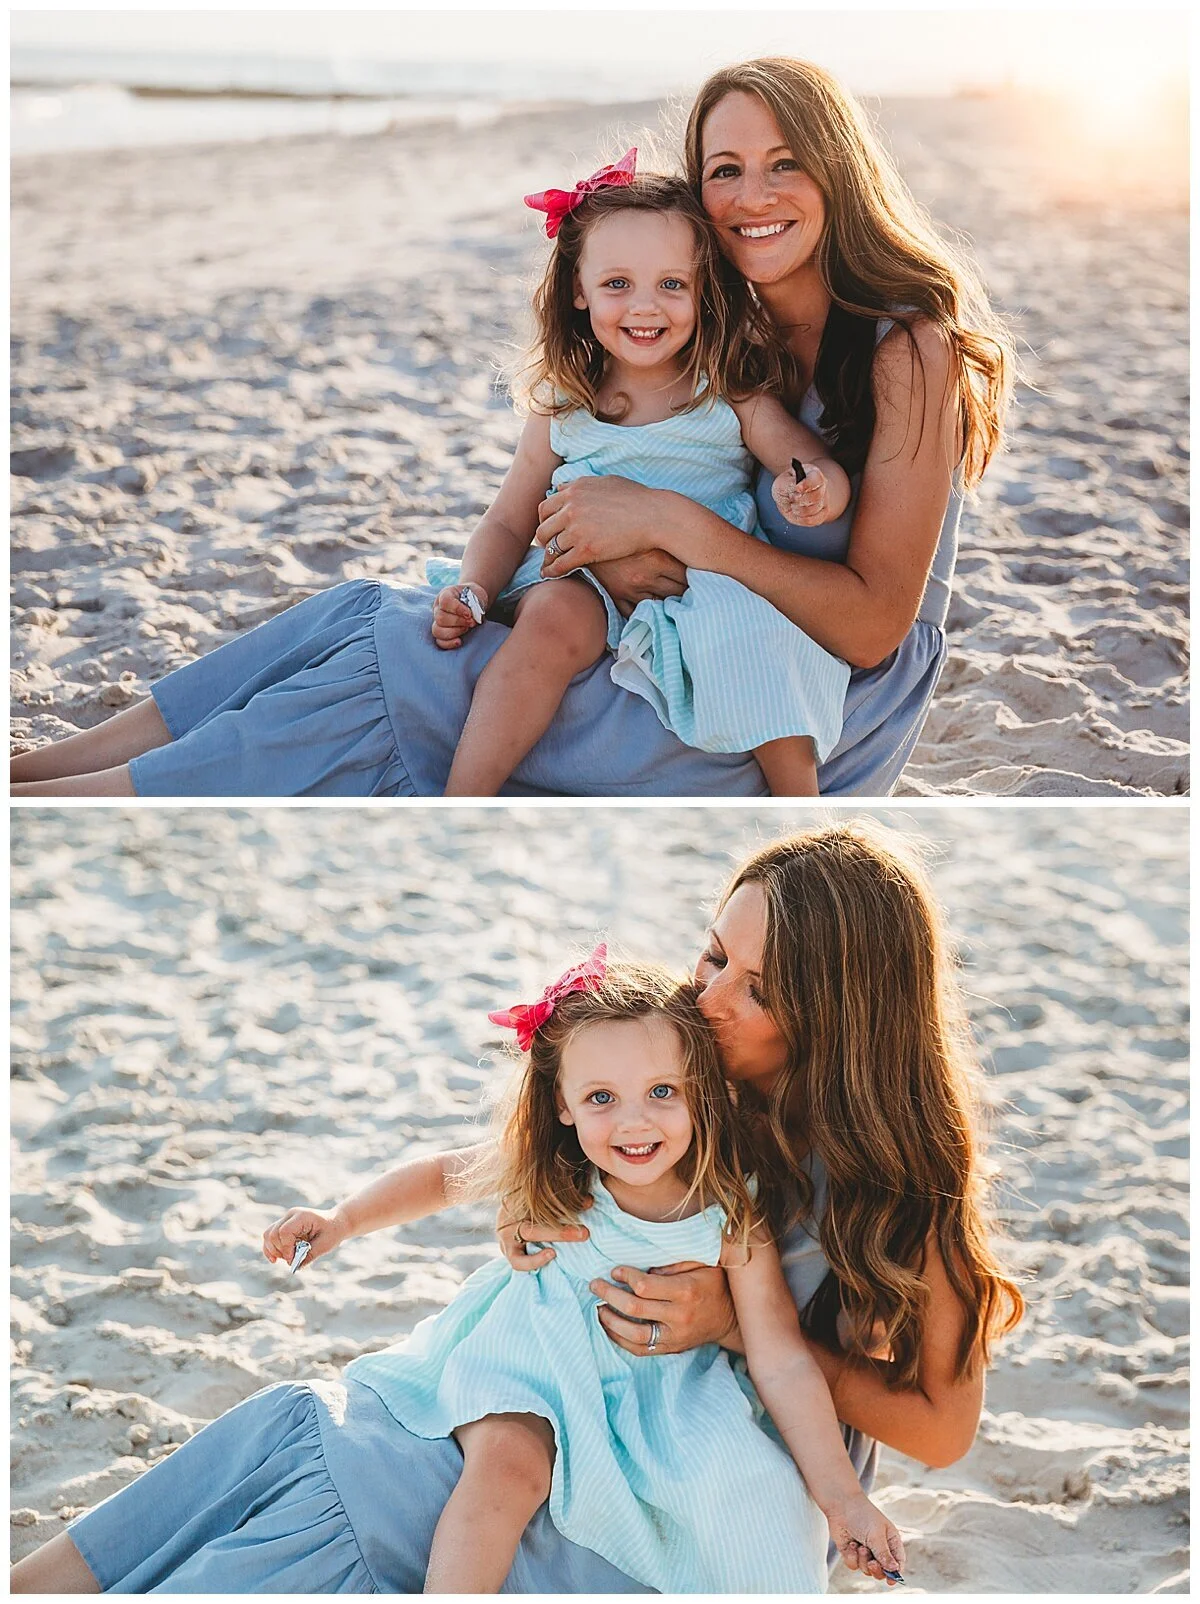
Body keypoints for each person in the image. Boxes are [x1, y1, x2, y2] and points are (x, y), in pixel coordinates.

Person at [11, 822, 1022, 1595]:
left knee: (379, 1497)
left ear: (841, 1018)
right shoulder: (674, 1089)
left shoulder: (900, 1191)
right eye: (715, 953)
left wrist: (730, 1325)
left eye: (755, 988)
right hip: (563, 1388)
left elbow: (939, 1430)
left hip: (693, 1475)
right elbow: (492, 1163)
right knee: (305, 1430)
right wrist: (511, 1208)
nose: (707, 992)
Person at [10, 57, 1013, 800]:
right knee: (364, 607)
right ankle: (67, 762)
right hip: (674, 631)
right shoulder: (725, 325)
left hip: (784, 698)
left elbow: (878, 625)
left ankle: (98, 803)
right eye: (723, 170)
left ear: (838, 170)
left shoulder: (902, 349)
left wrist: (658, 521)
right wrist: (581, 556)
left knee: (399, 673)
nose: (750, 196)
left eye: (784, 163)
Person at [267, 953, 904, 1591]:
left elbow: (781, 1359)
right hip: (538, 1361)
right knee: (508, 1468)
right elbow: (442, 1176)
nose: (634, 1122)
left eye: (662, 1091)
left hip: (667, 1391)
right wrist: (341, 1219)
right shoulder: (558, 1170)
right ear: (563, 1104)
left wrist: (843, 1499)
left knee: (760, 1491)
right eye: (601, 1097)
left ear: (699, 1091)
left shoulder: (730, 1207)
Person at [428, 159, 851, 798]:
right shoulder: (565, 402)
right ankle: (464, 795)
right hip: (584, 580)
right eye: (618, 283)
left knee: (758, 636)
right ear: (579, 290)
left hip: (704, 584)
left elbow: (809, 461)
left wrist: (816, 490)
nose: (645, 307)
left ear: (702, 288)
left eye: (672, 284)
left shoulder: (727, 390)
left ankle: (803, 807)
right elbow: (510, 517)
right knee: (550, 620)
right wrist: (475, 589)